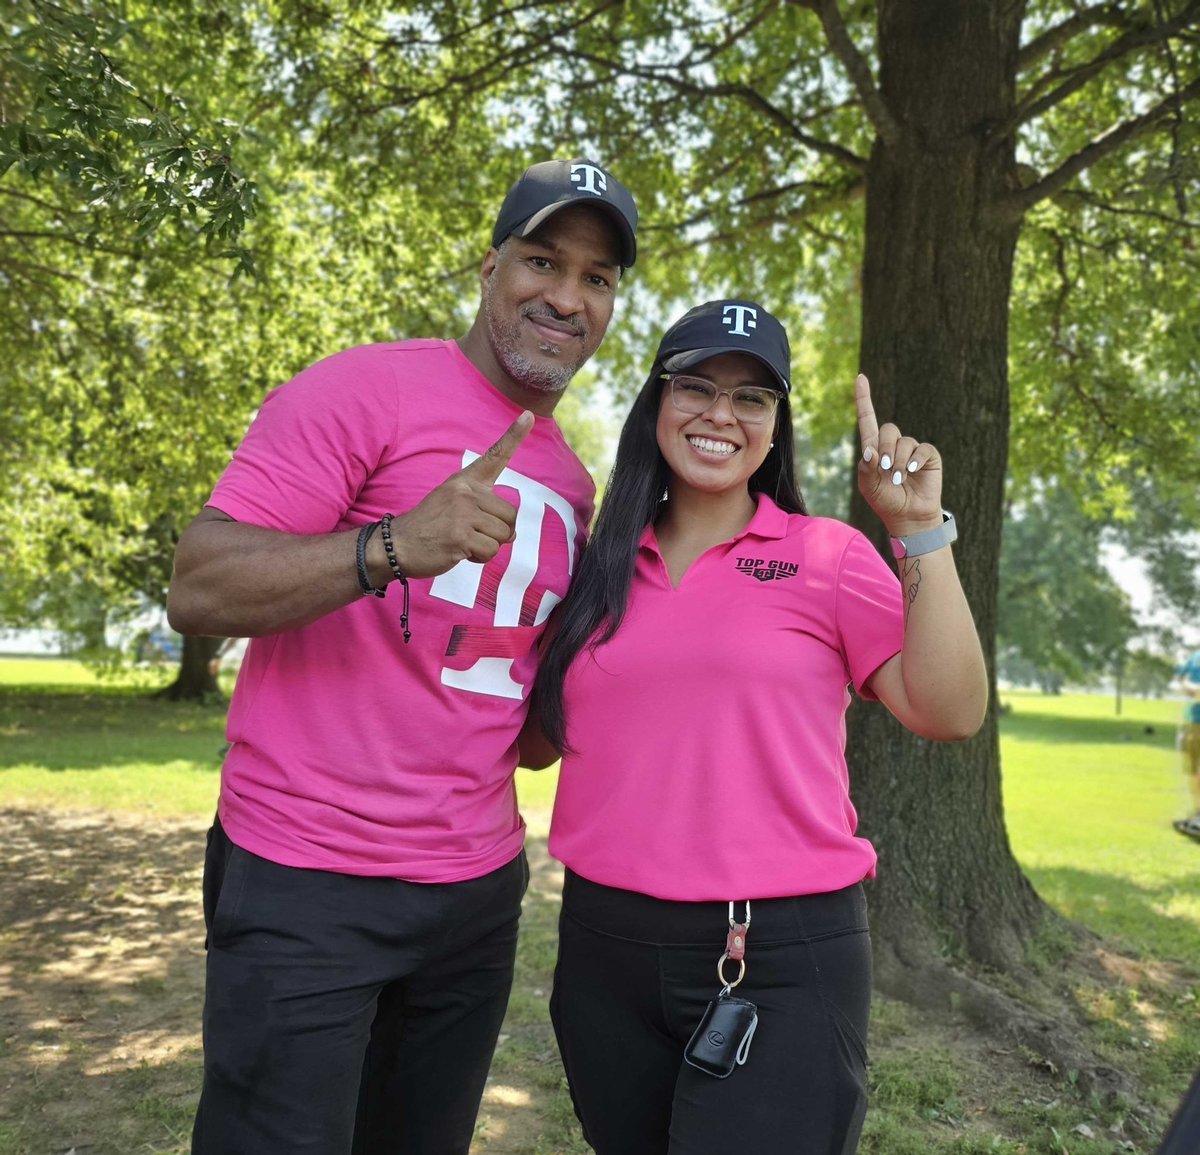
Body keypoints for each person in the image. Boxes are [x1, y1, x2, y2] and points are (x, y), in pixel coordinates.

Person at [165, 157, 638, 1155]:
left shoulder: (574, 482)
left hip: (475, 898)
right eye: (544, 260)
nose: (566, 295)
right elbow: (200, 587)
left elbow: (525, 726)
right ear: (489, 266)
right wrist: (390, 549)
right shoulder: (365, 388)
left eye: (596, 278)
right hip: (308, 879)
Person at [524, 299, 988, 1155]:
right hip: (602, 946)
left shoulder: (830, 555)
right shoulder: (593, 562)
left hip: (778, 951)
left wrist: (917, 528)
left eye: (751, 399)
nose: (719, 414)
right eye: (696, 386)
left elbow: (951, 710)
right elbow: (535, 736)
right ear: (656, 404)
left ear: (776, 428)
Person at [1172, 647, 1200, 840]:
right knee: (1192, 771)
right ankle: (1198, 814)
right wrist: (1190, 688)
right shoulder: (1196, 656)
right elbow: (1180, 681)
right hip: (1192, 721)